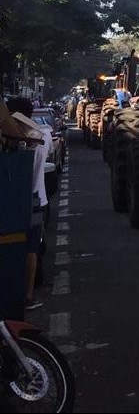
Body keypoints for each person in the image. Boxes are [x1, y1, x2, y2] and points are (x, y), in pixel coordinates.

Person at [5, 97, 51, 312]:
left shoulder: (23, 141)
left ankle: (26, 293)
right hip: (36, 199)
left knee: (28, 247)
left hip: (27, 198)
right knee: (30, 247)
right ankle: (26, 293)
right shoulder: (43, 136)